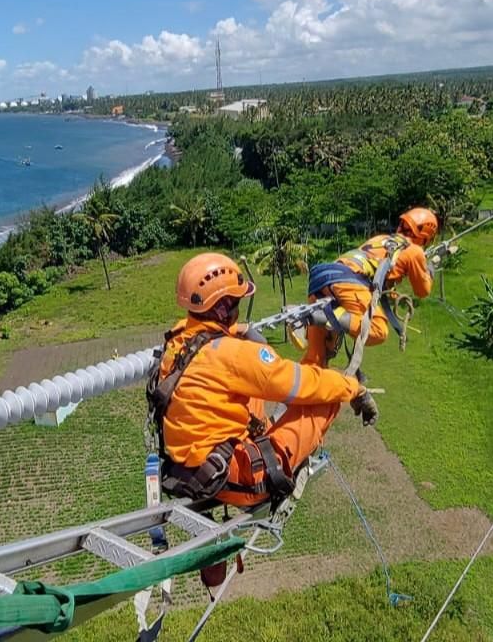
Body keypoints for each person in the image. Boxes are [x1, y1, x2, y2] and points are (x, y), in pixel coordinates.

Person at [149, 253, 378, 508]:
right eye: (235, 302)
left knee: (250, 392)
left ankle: (260, 437)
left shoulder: (178, 339)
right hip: (236, 480)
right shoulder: (234, 355)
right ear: (222, 307)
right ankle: (279, 457)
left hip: (193, 469)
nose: (237, 309)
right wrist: (353, 388)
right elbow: (301, 385)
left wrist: (242, 329)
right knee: (328, 395)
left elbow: (216, 339)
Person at [302, 207, 439, 367]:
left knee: (316, 358)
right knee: (377, 330)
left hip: (322, 277)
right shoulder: (414, 251)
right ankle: (323, 316)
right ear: (426, 236)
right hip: (348, 280)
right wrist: (429, 270)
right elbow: (422, 291)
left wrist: (392, 286)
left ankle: (309, 379)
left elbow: (377, 271)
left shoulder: (381, 239)